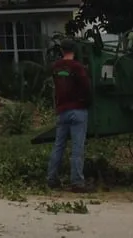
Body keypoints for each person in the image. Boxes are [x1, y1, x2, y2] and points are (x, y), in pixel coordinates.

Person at [47, 37, 93, 193]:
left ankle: (52, 179)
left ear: (61, 50)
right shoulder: (78, 67)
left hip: (62, 111)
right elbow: (87, 86)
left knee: (58, 145)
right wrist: (86, 102)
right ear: (74, 50)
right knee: (77, 147)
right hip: (78, 110)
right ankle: (77, 182)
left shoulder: (56, 67)